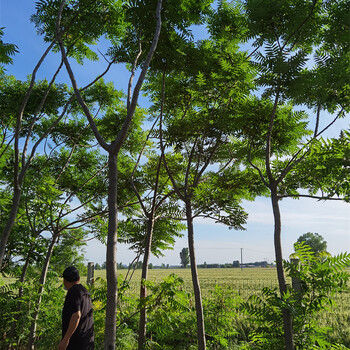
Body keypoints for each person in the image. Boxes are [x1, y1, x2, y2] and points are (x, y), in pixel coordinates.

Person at [59, 266, 94, 350]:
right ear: (78, 278)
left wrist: (66, 339)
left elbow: (76, 315)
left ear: (65, 280)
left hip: (76, 342)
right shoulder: (84, 291)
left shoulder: (73, 291)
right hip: (87, 340)